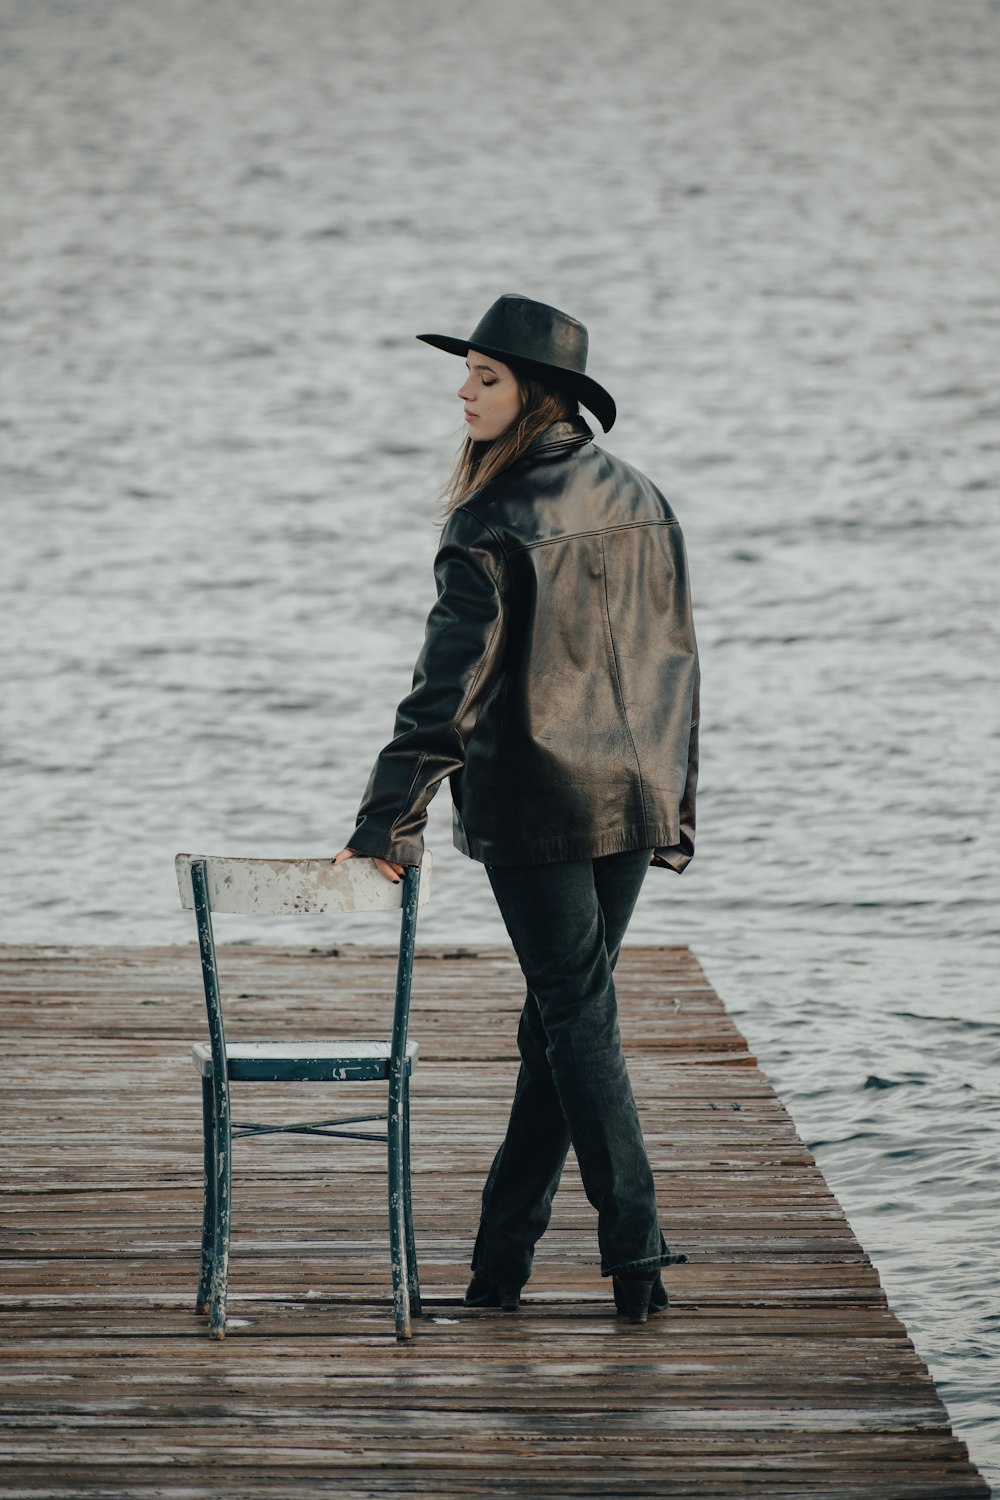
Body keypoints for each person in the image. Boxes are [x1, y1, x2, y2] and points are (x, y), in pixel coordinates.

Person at [334, 294, 699, 1324]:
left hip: (539, 807)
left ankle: (636, 1257)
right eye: (467, 373)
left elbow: (446, 686)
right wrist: (672, 803)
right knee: (558, 1022)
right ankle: (499, 1271)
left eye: (485, 377)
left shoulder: (489, 518)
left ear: (537, 394)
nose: (462, 390)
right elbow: (676, 671)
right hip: (629, 799)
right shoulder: (642, 495)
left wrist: (387, 819)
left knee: (575, 1019)